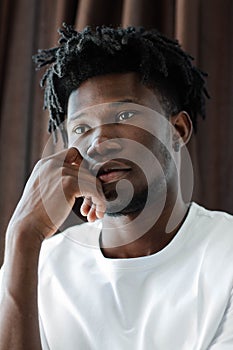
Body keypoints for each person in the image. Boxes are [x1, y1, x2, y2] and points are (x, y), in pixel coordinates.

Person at [0, 24, 232, 350]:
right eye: (81, 127)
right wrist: (22, 237)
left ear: (177, 130)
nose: (99, 142)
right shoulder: (42, 265)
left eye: (125, 115)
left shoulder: (226, 254)